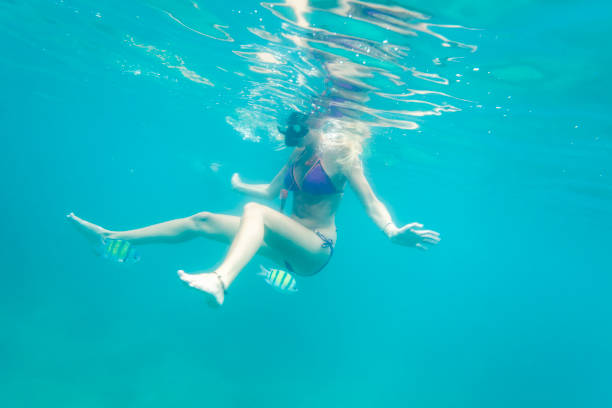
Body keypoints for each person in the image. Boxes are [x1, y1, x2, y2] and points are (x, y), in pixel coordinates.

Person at [67, 112, 440, 306]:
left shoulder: (343, 156)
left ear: (315, 126)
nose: (292, 139)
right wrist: (238, 184)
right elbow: (271, 190)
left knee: (255, 214)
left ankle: (221, 279)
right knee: (203, 220)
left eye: (298, 132)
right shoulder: (298, 154)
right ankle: (111, 235)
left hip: (315, 249)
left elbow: (371, 202)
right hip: (283, 244)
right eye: (289, 135)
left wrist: (392, 232)